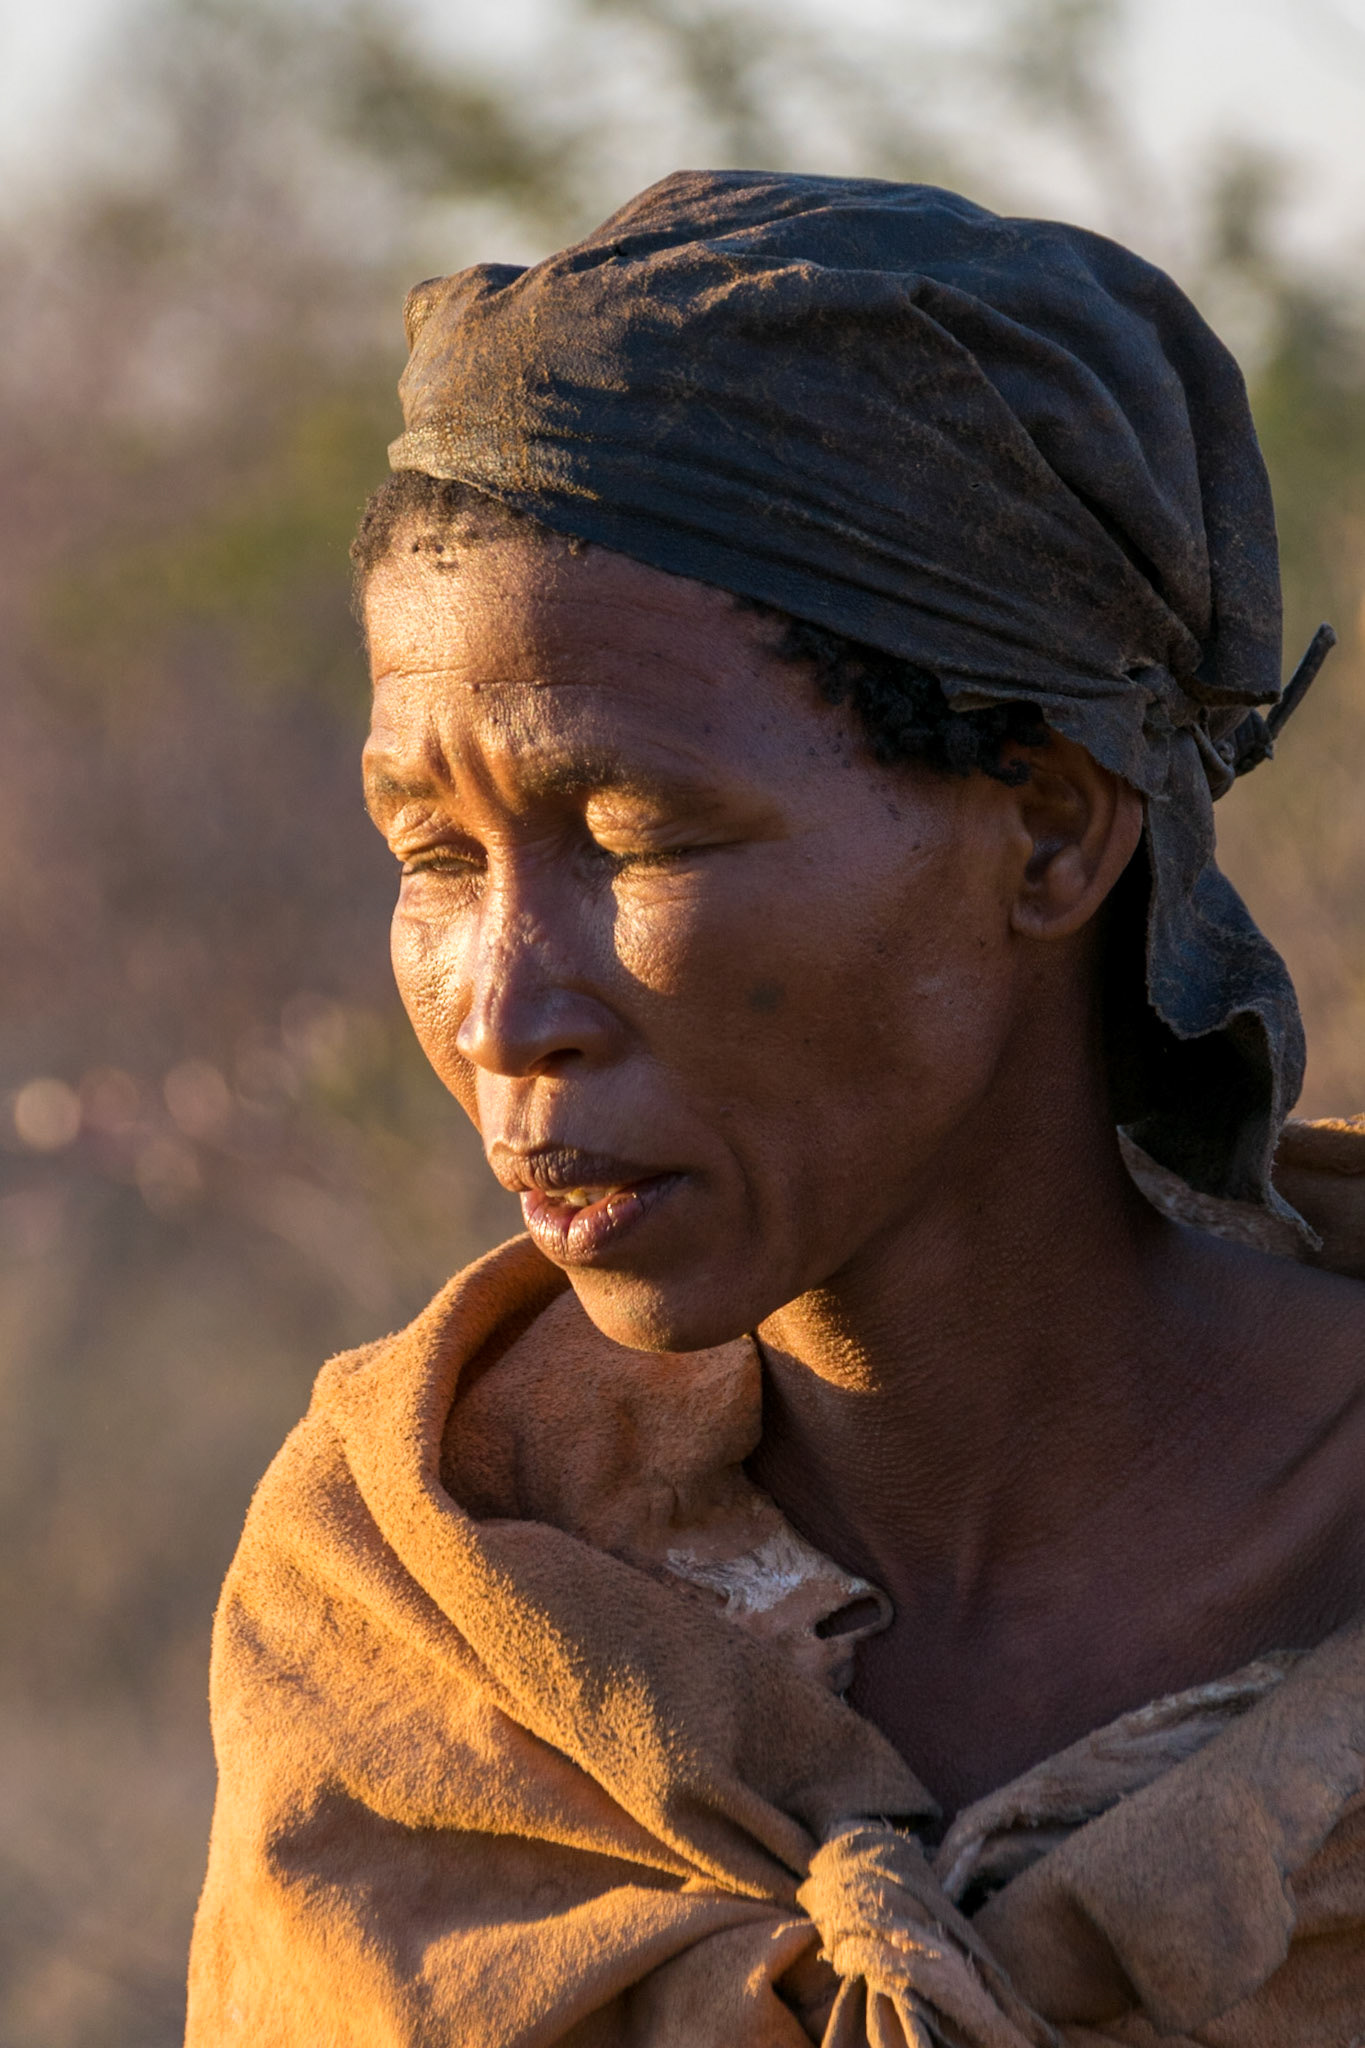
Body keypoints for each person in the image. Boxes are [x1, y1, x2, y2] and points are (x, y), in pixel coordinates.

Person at [186, 172, 1365, 2045]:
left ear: (1047, 829)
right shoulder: (424, 1588)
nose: (500, 1013)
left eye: (634, 838)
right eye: (434, 856)